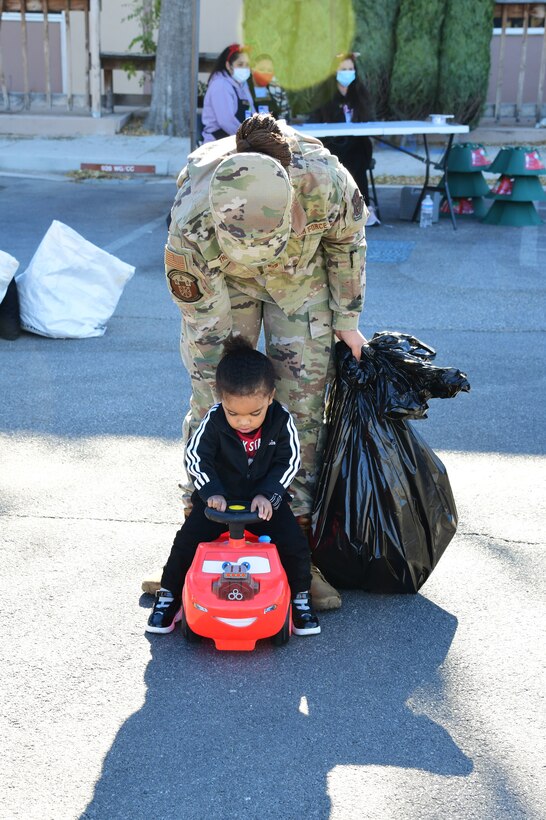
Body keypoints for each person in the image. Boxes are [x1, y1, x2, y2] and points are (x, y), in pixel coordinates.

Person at [159, 112, 368, 611]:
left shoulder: (323, 180)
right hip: (223, 287)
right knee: (217, 401)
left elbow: (346, 243)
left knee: (301, 411)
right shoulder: (191, 217)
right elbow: (208, 342)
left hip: (301, 283)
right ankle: (199, 540)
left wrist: (347, 320)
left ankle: (296, 548)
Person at [146, 335, 320, 637]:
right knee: (186, 541)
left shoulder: (281, 420)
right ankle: (169, 596)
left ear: (270, 397)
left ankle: (300, 598)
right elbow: (197, 458)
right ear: (220, 399)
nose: (243, 422)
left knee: (294, 543)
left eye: (254, 413)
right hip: (219, 502)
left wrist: (270, 494)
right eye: (234, 413)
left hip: (264, 502)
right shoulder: (214, 421)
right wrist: (210, 491)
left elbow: (289, 460)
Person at [314, 53, 379, 225]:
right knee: (348, 158)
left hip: (358, 145)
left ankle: (359, 208)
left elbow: (369, 119)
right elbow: (315, 122)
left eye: (350, 69)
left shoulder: (360, 93)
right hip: (332, 145)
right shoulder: (324, 95)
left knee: (357, 155)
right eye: (343, 69)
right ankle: (354, 207)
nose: (347, 72)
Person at [201, 44, 256, 142]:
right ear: (228, 65)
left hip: (238, 140)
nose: (244, 68)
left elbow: (252, 112)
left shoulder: (243, 85)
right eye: (240, 64)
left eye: (247, 65)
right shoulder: (220, 85)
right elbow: (226, 121)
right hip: (219, 143)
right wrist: (248, 140)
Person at [248, 53, 291, 122]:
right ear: (252, 70)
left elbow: (285, 112)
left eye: (269, 70)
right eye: (261, 69)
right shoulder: (244, 88)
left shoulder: (276, 87)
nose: (265, 73)